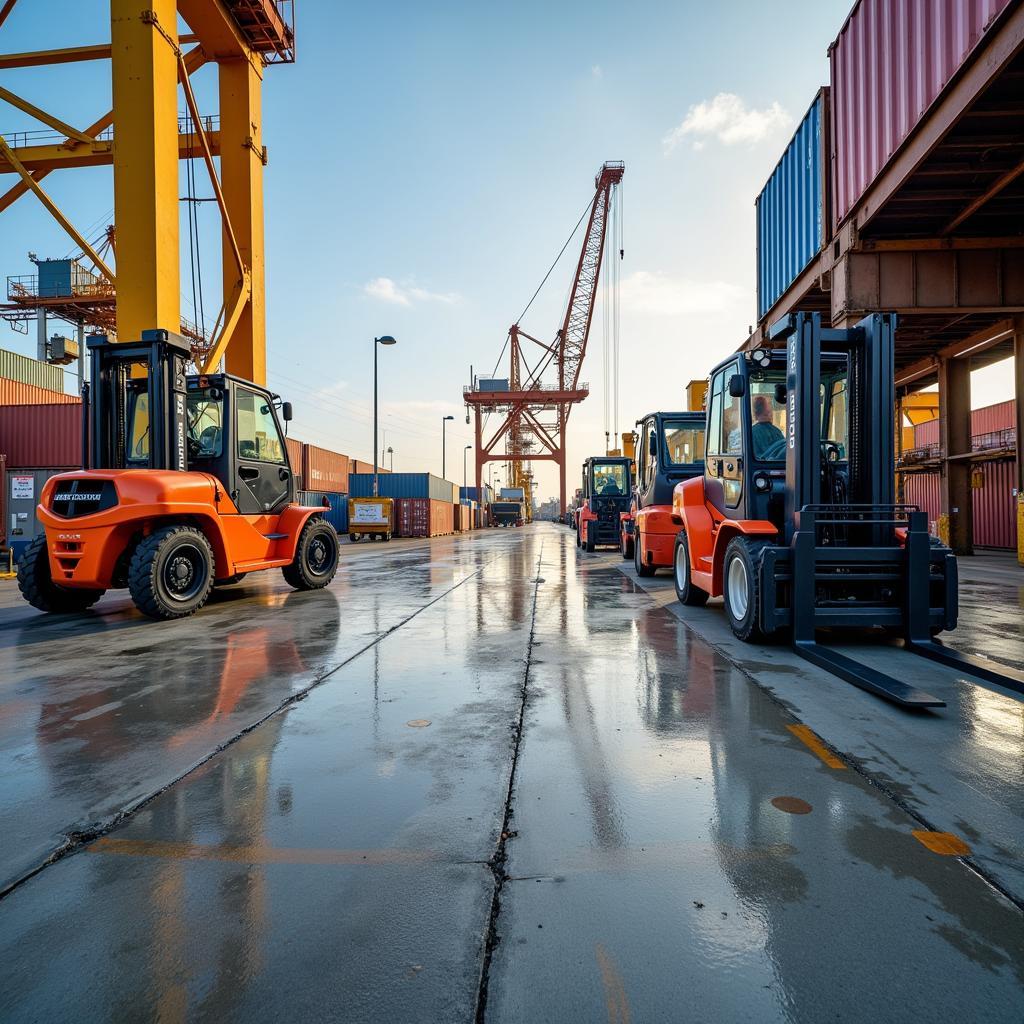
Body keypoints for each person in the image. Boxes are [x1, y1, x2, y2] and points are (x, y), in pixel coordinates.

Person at [751, 393, 784, 458]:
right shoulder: (776, 431)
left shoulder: (751, 432)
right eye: (769, 404)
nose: (772, 409)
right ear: (767, 412)